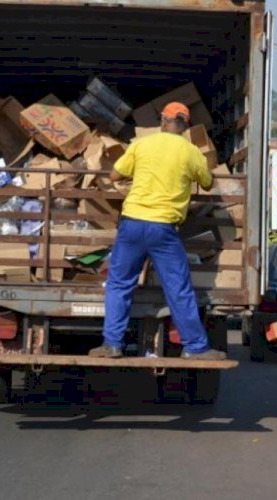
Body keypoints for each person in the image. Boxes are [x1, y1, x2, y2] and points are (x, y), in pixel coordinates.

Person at [88, 102, 224, 360]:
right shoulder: (191, 151)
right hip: (164, 229)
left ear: (163, 121)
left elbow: (115, 176)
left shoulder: (142, 144)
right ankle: (195, 347)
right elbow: (207, 183)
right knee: (178, 288)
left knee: (119, 284)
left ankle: (112, 345)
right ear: (185, 125)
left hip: (132, 223)